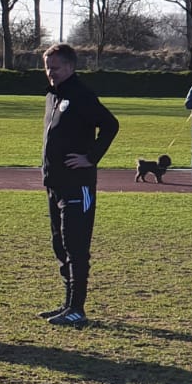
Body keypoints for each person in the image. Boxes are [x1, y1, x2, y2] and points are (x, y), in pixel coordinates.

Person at [39, 43, 119, 327]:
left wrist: (91, 158)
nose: (51, 73)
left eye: (56, 68)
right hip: (55, 184)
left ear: (70, 67)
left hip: (78, 186)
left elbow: (110, 125)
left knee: (76, 246)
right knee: (59, 245)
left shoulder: (81, 95)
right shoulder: (53, 96)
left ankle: (77, 308)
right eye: (48, 67)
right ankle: (67, 302)